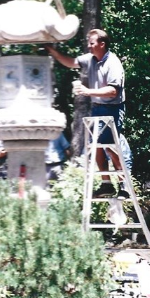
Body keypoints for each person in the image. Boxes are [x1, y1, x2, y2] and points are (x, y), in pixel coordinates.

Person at [45, 29, 128, 199]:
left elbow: (113, 91)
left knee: (111, 148)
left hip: (113, 109)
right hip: (97, 108)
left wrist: (87, 91)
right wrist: (52, 50)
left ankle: (123, 185)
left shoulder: (113, 63)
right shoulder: (90, 60)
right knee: (96, 145)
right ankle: (106, 184)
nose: (89, 46)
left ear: (102, 44)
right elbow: (70, 62)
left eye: (92, 43)